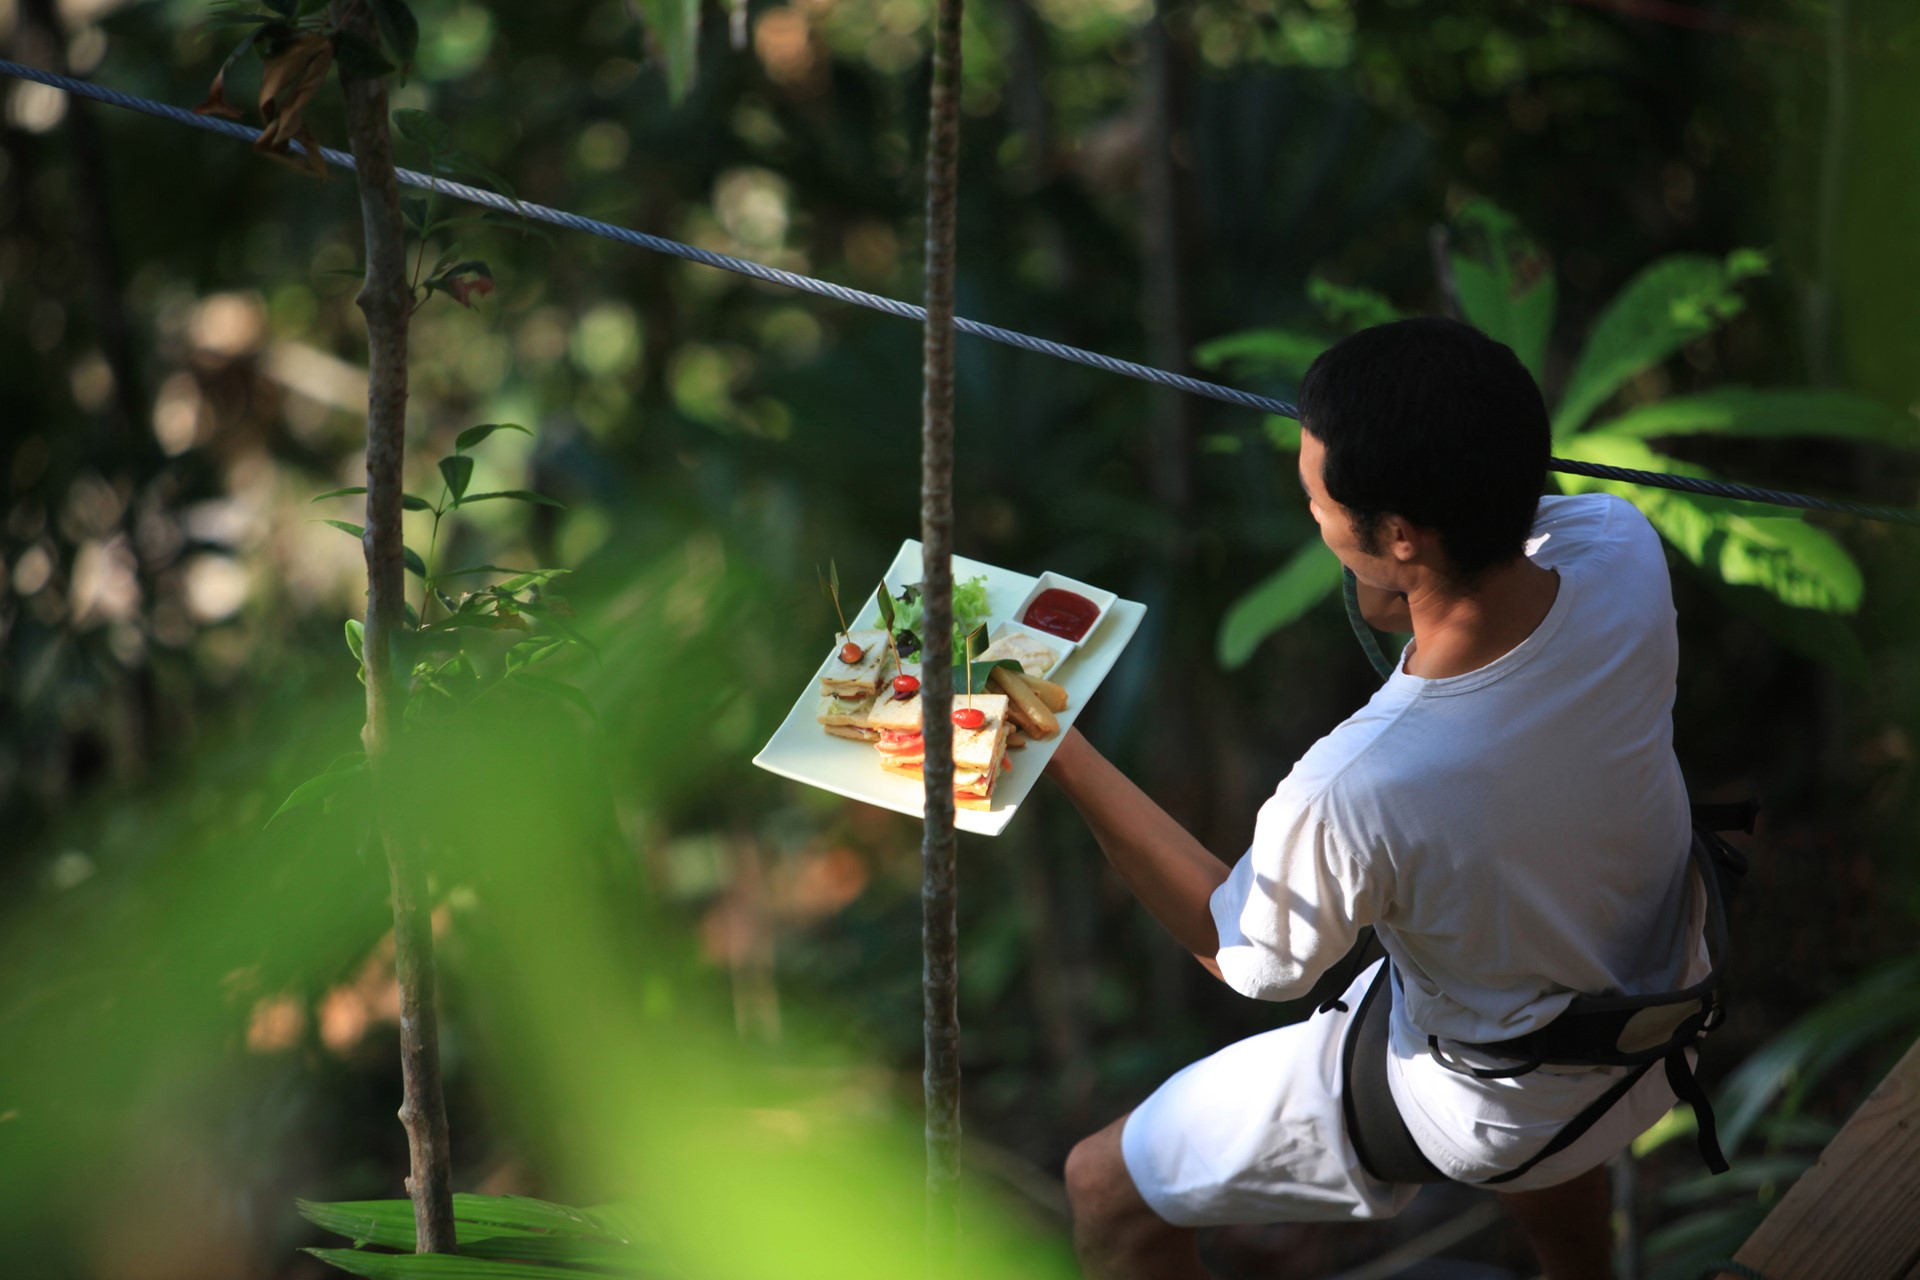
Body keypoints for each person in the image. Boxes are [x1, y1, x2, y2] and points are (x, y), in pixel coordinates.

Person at [1044, 317, 1703, 1280]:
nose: (1310, 512)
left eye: (1316, 497)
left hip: (1497, 1093)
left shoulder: (1362, 784)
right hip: (1655, 1000)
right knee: (1492, 978)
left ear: (1397, 535)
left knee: (1100, 1183)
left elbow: (1243, 956)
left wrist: (1056, 746)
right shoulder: (1622, 554)